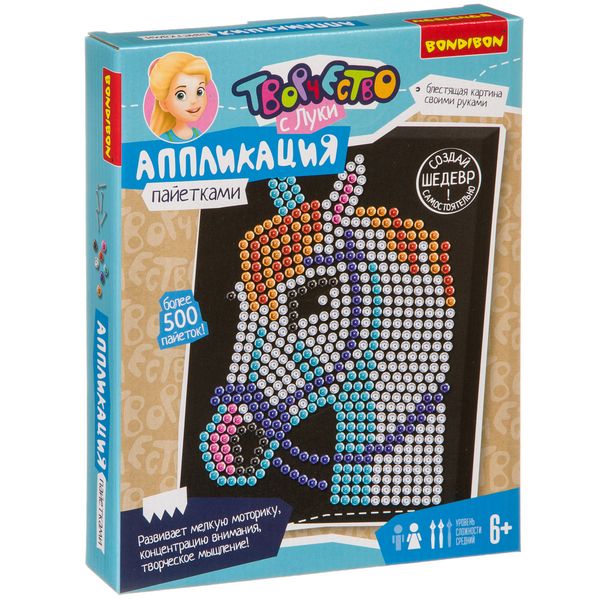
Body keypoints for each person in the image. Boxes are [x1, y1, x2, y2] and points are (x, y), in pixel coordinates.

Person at [149, 52, 212, 142]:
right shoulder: (164, 139)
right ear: (164, 104)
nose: (194, 101)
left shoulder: (197, 133)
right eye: (181, 95)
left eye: (199, 92)